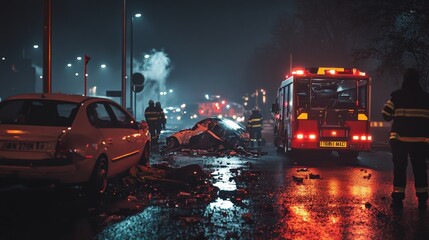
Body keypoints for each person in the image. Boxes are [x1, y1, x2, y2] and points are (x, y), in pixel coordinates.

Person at [382, 68, 429, 210]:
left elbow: (386, 114)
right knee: (420, 169)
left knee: (400, 169)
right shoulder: (426, 98)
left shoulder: (396, 96)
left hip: (400, 142)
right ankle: (422, 199)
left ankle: (398, 199)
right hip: (420, 142)